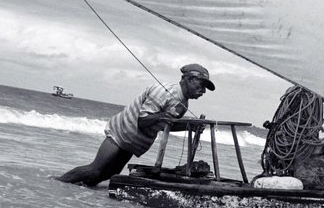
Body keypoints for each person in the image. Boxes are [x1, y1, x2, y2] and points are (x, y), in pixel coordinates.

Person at [58, 63, 215, 186]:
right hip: (122, 133)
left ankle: (78, 189)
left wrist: (190, 126)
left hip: (133, 142)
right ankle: (57, 183)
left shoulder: (183, 103)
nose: (203, 91)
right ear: (187, 79)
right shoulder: (164, 92)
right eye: (201, 85)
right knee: (95, 170)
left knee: (108, 175)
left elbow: (166, 125)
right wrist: (162, 115)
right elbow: (142, 121)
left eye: (205, 88)